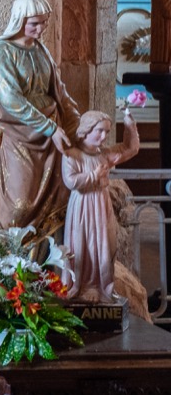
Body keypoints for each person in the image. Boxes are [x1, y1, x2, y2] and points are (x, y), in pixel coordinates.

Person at [0, 0, 81, 236]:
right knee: (18, 204)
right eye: (34, 23)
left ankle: (44, 263)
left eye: (44, 22)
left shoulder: (40, 49)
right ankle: (5, 262)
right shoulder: (2, 51)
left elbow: (58, 91)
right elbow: (11, 99)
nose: (41, 28)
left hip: (50, 132)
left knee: (59, 197)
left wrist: (77, 121)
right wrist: (51, 129)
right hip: (20, 131)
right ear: (19, 20)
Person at [63, 109, 140, 301]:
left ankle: (100, 286)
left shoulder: (104, 155)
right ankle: (83, 286)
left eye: (106, 131)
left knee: (104, 243)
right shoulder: (73, 155)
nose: (104, 136)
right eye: (99, 131)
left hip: (101, 203)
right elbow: (71, 181)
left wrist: (129, 124)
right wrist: (93, 176)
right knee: (84, 244)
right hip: (82, 206)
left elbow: (130, 149)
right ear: (86, 131)